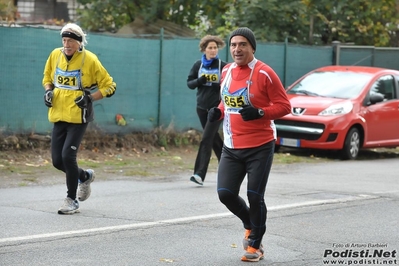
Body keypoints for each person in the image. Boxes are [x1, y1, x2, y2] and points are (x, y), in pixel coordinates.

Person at [207, 27, 291, 262]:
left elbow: (284, 106)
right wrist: (218, 112)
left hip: (260, 146)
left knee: (255, 196)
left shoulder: (265, 73)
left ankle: (255, 243)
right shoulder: (226, 71)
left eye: (242, 44)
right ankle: (249, 222)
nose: (237, 49)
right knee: (225, 193)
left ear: (252, 47)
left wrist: (260, 112)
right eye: (233, 45)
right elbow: (226, 102)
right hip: (232, 146)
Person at [42, 23, 116, 215]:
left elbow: (110, 86)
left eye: (71, 41)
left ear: (79, 42)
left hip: (79, 116)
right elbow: (47, 77)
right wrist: (49, 92)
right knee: (58, 161)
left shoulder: (90, 59)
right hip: (59, 114)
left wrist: (90, 97)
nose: (66, 44)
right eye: (64, 40)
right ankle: (84, 176)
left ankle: (71, 200)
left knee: (68, 156)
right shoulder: (54, 55)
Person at [186, 35, 227, 186]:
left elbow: (232, 81)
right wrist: (199, 81)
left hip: (216, 109)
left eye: (215, 47)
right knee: (213, 138)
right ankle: (229, 167)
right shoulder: (198, 65)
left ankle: (199, 174)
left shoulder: (223, 65)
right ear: (204, 49)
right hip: (201, 108)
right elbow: (189, 83)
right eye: (210, 48)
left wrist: (220, 86)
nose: (213, 50)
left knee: (206, 138)